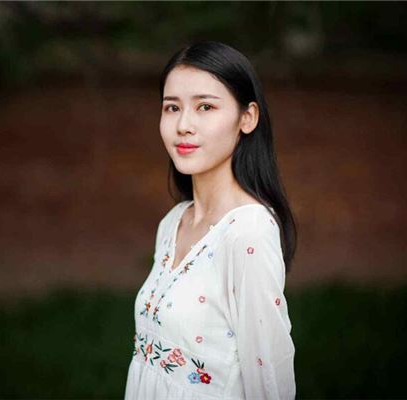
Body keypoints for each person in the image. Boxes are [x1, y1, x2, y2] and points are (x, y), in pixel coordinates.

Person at [123, 41, 298, 400]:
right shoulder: (173, 223)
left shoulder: (248, 232)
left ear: (247, 118)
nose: (183, 125)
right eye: (172, 107)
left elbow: (269, 378)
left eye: (205, 106)